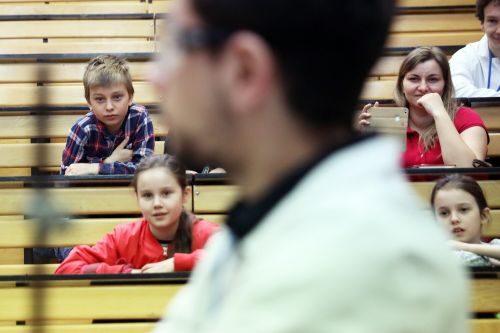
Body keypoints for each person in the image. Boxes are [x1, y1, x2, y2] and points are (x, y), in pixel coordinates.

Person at [149, 0, 469, 332]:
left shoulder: (374, 266)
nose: (156, 76)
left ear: (244, 71)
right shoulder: (271, 216)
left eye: (178, 41)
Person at [55, 155, 219, 274]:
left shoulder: (205, 233)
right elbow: (66, 269)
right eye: (147, 195)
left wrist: (180, 263)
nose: (157, 203)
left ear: (185, 195)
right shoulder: (124, 237)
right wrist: (127, 273)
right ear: (137, 198)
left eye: (166, 193)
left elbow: (241, 257)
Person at [359, 46, 489, 167]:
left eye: (433, 79)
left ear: (445, 85)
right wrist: (364, 142)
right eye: (414, 79)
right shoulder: (390, 121)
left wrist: (439, 113)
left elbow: (470, 171)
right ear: (401, 86)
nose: (423, 88)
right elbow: (374, 175)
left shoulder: (466, 117)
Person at [60, 54, 155, 175]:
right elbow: (66, 176)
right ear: (89, 102)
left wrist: (96, 168)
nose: (109, 107)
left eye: (117, 97)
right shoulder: (82, 129)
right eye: (100, 99)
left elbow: (145, 170)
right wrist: (109, 161)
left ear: (130, 97)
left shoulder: (139, 117)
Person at [431, 174, 500, 266]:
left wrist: (462, 246)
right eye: (444, 213)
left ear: (483, 216)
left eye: (463, 210)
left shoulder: (494, 245)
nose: (454, 219)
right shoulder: (437, 255)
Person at [449, 0, 500, 97]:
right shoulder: (464, 56)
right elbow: (457, 92)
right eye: (492, 21)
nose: (499, 30)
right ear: (482, 23)